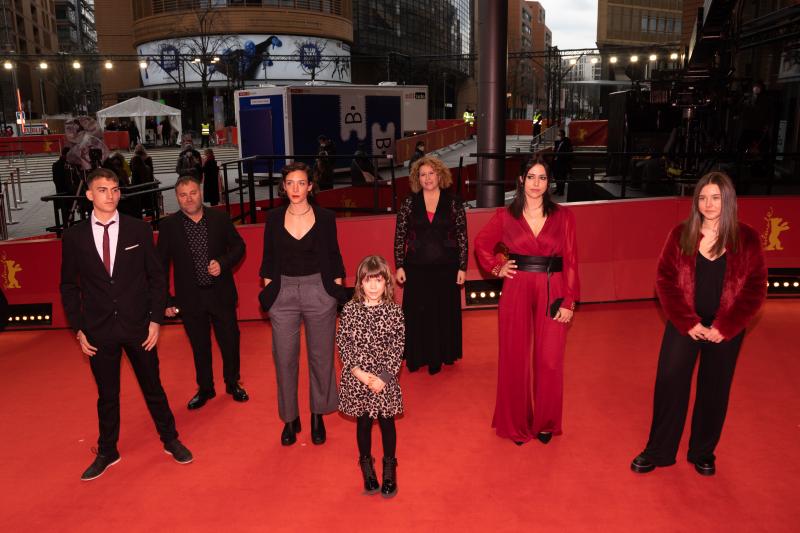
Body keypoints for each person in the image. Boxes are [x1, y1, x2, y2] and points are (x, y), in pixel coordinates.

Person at [59, 167, 192, 481]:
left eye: (115, 189)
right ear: (90, 195)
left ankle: (170, 439)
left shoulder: (138, 230)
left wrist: (156, 320)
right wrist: (78, 328)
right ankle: (107, 450)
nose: (111, 195)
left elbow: (157, 278)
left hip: (138, 326)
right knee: (107, 395)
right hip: (97, 330)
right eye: (103, 190)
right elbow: (68, 285)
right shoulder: (75, 236)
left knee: (153, 388)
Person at [631, 171, 767, 477]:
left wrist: (726, 327)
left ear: (728, 200)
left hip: (726, 328)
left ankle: (703, 451)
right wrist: (687, 321)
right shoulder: (681, 234)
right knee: (669, 382)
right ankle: (659, 450)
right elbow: (665, 281)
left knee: (714, 389)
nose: (708, 204)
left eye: (716, 197)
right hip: (685, 324)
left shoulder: (747, 238)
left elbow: (756, 288)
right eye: (703, 197)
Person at [474, 156, 580, 445]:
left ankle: (546, 422)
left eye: (542, 178)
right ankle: (515, 423)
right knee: (514, 356)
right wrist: (498, 266)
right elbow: (482, 244)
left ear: (549, 182)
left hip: (553, 286)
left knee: (550, 359)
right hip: (517, 285)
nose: (536, 184)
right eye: (531, 177)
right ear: (521, 180)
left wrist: (570, 301)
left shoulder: (563, 217)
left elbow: (571, 261)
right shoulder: (505, 215)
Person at [258, 161, 346, 446]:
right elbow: (268, 259)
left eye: (301, 183)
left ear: (310, 186)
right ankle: (289, 418)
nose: (295, 188)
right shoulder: (273, 218)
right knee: (284, 360)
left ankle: (317, 415)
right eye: (290, 183)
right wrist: (270, 295)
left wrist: (335, 291)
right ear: (284, 187)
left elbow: (334, 256)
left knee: (321, 358)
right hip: (282, 293)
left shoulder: (326, 217)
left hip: (319, 291)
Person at [158, 175, 248, 410]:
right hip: (190, 298)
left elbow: (239, 247)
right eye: (182, 195)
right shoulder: (168, 226)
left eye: (192, 193)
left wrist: (223, 262)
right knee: (200, 346)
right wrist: (166, 300)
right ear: (177, 198)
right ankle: (205, 388)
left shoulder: (219, 218)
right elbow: (160, 266)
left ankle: (232, 383)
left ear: (200, 192)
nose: (188, 199)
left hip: (221, 293)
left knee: (230, 341)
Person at [337, 255, 404, 498]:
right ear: (360, 283)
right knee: (363, 423)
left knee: (387, 423)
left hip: (384, 378)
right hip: (358, 378)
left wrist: (384, 377)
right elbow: (343, 343)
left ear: (387, 283)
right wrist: (359, 373)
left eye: (378, 280)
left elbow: (398, 347)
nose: (373, 286)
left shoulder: (394, 312)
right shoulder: (350, 310)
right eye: (368, 281)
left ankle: (389, 465)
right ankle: (366, 462)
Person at [394, 156, 467, 374]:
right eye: (422, 174)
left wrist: (462, 267)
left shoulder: (454, 202)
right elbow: (400, 236)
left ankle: (441, 355)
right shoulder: (409, 202)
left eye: (431, 173)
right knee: (417, 313)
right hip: (416, 267)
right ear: (418, 178)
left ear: (440, 175)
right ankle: (417, 357)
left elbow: (462, 236)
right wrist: (399, 265)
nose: (427, 178)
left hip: (447, 267)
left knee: (442, 312)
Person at [52, 146, 74, 226]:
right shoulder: (57, 165)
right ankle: (68, 227)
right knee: (66, 213)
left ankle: (69, 226)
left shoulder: (70, 164)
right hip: (64, 192)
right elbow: (57, 180)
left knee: (71, 212)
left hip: (69, 192)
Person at [552, 129, 573, 196]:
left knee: (562, 177)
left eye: (559, 134)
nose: (558, 136)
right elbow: (555, 150)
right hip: (556, 161)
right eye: (558, 134)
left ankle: (561, 191)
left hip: (562, 162)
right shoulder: (558, 142)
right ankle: (558, 189)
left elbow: (568, 151)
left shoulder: (567, 141)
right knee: (556, 176)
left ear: (562, 135)